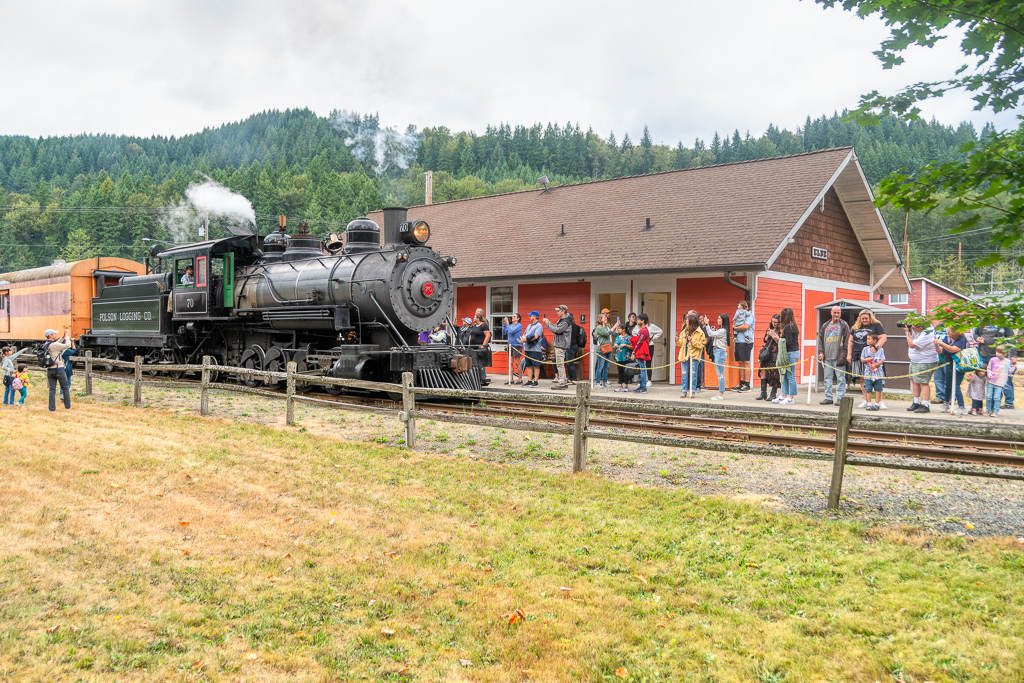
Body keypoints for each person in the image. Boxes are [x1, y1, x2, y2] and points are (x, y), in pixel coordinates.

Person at [973, 323, 1018, 409]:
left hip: (999, 358)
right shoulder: (983, 322)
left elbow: (1012, 340)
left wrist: (1013, 355)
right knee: (985, 381)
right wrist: (977, 338)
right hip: (984, 356)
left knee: (1005, 381)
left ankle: (1009, 403)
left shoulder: (1003, 323)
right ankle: (987, 406)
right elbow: (976, 333)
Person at [849, 310, 888, 408]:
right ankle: (866, 399)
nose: (864, 320)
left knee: (877, 378)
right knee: (863, 378)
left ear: (870, 318)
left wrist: (876, 347)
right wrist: (849, 354)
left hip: (873, 357)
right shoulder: (855, 327)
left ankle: (879, 401)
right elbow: (850, 340)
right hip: (858, 355)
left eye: (866, 318)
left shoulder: (876, 325)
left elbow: (883, 337)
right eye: (862, 319)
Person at [816, 306, 851, 406]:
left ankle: (840, 398)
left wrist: (844, 355)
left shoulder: (844, 325)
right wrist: (820, 352)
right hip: (827, 357)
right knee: (827, 378)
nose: (836, 315)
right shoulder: (825, 325)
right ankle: (828, 397)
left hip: (839, 357)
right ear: (831, 313)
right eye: (835, 313)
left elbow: (847, 341)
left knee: (841, 378)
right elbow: (820, 340)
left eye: (838, 313)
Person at [905, 322, 939, 413]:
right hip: (916, 361)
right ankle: (916, 402)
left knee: (923, 382)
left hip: (925, 361)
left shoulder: (926, 333)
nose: (912, 328)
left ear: (920, 327)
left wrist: (907, 332)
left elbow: (912, 344)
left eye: (913, 327)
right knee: (914, 380)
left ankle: (925, 405)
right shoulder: (923, 329)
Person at [769, 307, 799, 405]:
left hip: (791, 353)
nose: (780, 317)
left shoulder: (788, 327)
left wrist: (778, 338)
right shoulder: (793, 326)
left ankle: (791, 397)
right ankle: (784, 394)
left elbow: (788, 342)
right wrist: (776, 338)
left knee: (790, 374)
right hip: (791, 352)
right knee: (784, 374)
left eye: (782, 315)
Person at [934, 329, 968, 414]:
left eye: (950, 333)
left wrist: (941, 343)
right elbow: (941, 350)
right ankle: (946, 403)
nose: (948, 334)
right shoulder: (948, 339)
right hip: (948, 363)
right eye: (947, 332)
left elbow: (953, 349)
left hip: (958, 365)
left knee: (956, 385)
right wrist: (936, 345)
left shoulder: (961, 339)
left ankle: (961, 406)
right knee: (948, 384)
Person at [676, 314, 706, 398]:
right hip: (684, 353)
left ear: (692, 322)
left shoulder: (700, 332)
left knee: (694, 373)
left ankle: (693, 391)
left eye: (687, 320)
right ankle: (684, 390)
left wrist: (692, 340)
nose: (685, 322)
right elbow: (681, 343)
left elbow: (701, 345)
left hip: (694, 355)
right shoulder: (684, 331)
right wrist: (677, 341)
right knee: (684, 373)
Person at [543, 305, 573, 390]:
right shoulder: (562, 320)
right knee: (559, 364)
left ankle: (562, 383)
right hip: (560, 344)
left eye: (558, 311)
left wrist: (547, 323)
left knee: (560, 364)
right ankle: (563, 381)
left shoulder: (565, 321)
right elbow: (556, 328)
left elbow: (556, 330)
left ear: (563, 311)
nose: (557, 312)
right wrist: (550, 323)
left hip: (561, 345)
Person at [756, 314, 781, 402]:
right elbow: (765, 340)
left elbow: (779, 342)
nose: (774, 323)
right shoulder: (769, 329)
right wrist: (767, 334)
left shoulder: (780, 331)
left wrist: (774, 335)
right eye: (772, 321)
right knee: (763, 371)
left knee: (773, 373)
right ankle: (763, 393)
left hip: (774, 353)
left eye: (776, 322)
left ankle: (773, 394)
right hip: (767, 352)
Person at [985, 346, 1016, 417]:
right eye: (997, 352)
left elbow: (1009, 371)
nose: (997, 354)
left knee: (997, 397)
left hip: (1000, 383)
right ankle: (988, 410)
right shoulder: (992, 359)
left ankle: (995, 411)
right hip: (991, 381)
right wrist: (989, 374)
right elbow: (989, 368)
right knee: (989, 396)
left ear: (1005, 354)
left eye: (1000, 352)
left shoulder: (1007, 361)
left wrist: (1014, 366)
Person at [706, 314, 730, 401]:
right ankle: (721, 392)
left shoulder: (723, 331)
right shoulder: (721, 330)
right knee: (719, 373)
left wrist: (707, 324)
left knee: (720, 374)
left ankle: (721, 393)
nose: (717, 320)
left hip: (719, 352)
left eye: (719, 318)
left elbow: (710, 334)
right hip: (717, 352)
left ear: (723, 320)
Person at [860, 332, 886, 411]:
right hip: (868, 373)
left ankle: (877, 403)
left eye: (869, 339)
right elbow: (862, 359)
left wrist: (876, 364)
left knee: (878, 388)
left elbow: (882, 359)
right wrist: (867, 359)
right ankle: (869, 403)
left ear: (875, 340)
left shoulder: (881, 349)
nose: (867, 340)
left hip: (878, 373)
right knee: (868, 388)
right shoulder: (865, 349)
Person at [732, 300, 754, 391]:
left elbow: (746, 326)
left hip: (746, 342)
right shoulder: (738, 315)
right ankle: (742, 382)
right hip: (738, 341)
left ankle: (747, 384)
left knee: (746, 362)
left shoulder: (749, 316)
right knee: (740, 362)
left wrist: (735, 328)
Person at [521, 311, 544, 388]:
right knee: (528, 365)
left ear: (534, 316)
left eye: (530, 316)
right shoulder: (529, 326)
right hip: (527, 348)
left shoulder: (539, 326)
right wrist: (523, 338)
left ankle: (536, 381)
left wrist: (526, 340)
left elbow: (536, 336)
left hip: (535, 349)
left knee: (536, 365)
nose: (529, 317)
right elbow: (524, 334)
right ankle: (529, 380)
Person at [592, 313, 616, 389]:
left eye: (606, 317)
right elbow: (606, 333)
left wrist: (617, 327)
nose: (606, 318)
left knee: (607, 366)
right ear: (600, 319)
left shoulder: (607, 327)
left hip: (608, 348)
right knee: (600, 366)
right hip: (601, 349)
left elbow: (614, 333)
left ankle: (605, 381)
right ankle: (598, 383)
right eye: (604, 317)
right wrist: (614, 326)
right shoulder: (598, 328)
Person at [468, 312, 491, 386]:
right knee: (473, 362)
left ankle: (482, 378)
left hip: (479, 346)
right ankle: (474, 377)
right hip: (473, 346)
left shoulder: (484, 326)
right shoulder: (474, 325)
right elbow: (471, 336)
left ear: (478, 318)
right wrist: (469, 345)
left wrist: (483, 345)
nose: (473, 318)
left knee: (481, 363)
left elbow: (488, 335)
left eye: (474, 317)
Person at [632, 314, 652, 393]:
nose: (637, 321)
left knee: (642, 369)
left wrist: (634, 352)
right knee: (640, 369)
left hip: (641, 352)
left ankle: (643, 387)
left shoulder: (644, 331)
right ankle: (641, 385)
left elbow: (639, 342)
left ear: (642, 321)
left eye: (638, 319)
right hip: (640, 352)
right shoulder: (642, 330)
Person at [502, 313, 524, 385]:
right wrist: (504, 324)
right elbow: (504, 332)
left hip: (517, 345)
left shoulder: (519, 325)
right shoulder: (510, 326)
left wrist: (507, 324)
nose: (512, 317)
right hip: (510, 345)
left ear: (517, 318)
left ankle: (520, 379)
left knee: (517, 362)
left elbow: (511, 331)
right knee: (510, 363)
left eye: (514, 316)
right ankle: (511, 379)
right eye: (512, 316)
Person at [614, 326, 634, 392]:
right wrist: (615, 346)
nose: (618, 330)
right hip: (618, 356)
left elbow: (632, 347)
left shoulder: (629, 337)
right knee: (620, 371)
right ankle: (620, 386)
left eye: (619, 328)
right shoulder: (617, 337)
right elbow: (614, 345)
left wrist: (625, 345)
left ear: (623, 329)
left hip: (626, 357)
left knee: (626, 371)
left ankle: (626, 386)